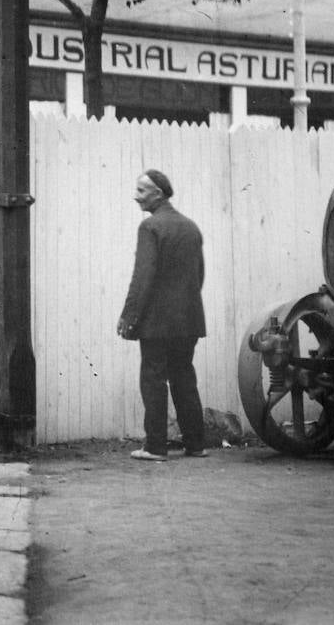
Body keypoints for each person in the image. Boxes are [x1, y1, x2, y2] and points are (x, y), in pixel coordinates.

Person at [116, 169, 207, 462]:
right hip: (189, 319)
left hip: (157, 323)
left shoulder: (150, 227)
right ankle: (196, 445)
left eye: (141, 191)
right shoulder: (191, 227)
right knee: (183, 377)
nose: (136, 196)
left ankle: (155, 447)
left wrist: (129, 316)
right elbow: (199, 276)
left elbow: (143, 277)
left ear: (158, 193)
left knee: (153, 380)